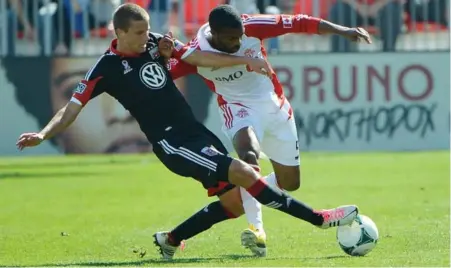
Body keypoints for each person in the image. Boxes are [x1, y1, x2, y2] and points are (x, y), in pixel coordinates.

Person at [16, 3, 358, 262]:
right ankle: (319, 219)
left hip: (194, 132)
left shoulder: (154, 44)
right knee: (244, 171)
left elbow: (198, 58)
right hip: (172, 142)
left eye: (147, 30)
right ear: (117, 32)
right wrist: (44, 135)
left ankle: (171, 239)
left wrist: (240, 60)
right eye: (137, 32)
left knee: (236, 205)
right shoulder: (105, 68)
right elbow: (70, 108)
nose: (145, 37)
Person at [165, 4, 371, 257]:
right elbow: (160, 76)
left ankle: (177, 235)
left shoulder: (251, 25)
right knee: (248, 157)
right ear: (215, 35)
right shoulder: (194, 54)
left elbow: (299, 22)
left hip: (275, 107)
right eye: (231, 39)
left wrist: (343, 30)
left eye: (240, 36)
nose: (238, 42)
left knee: (290, 183)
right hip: (237, 109)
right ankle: (257, 231)